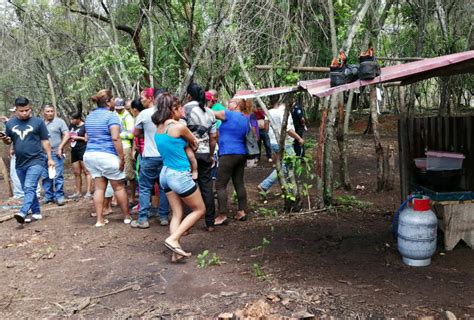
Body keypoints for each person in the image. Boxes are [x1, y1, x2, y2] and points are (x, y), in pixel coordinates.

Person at [152, 93, 204, 261]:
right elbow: (195, 142)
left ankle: (176, 253)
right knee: (199, 209)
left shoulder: (159, 128)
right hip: (179, 174)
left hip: (165, 174)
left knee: (176, 214)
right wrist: (189, 144)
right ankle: (173, 239)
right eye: (180, 107)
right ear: (173, 109)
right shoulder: (178, 127)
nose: (182, 110)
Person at [1, 97, 55, 224]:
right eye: (21, 111)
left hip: (37, 160)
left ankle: (23, 211)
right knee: (27, 189)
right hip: (20, 162)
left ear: (30, 108)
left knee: (29, 186)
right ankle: (36, 213)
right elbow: (9, 140)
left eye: (27, 110)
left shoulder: (38, 122)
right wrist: (4, 139)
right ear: (16, 111)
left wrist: (50, 158)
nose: (25, 113)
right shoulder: (10, 124)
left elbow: (45, 141)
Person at [83, 89, 131, 227]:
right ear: (109, 102)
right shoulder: (112, 116)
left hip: (90, 155)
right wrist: (121, 158)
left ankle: (99, 220)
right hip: (107, 155)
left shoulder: (90, 116)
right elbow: (115, 138)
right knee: (119, 187)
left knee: (99, 188)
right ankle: (127, 217)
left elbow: (87, 137)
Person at [131, 89, 170, 228]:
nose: (141, 100)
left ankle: (143, 219)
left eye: (143, 98)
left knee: (145, 187)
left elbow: (135, 133)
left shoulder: (144, 114)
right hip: (165, 155)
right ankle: (164, 216)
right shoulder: (168, 113)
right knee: (164, 187)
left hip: (149, 155)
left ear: (151, 98)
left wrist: (146, 135)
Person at [183, 83, 217, 231]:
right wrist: (210, 155)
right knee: (207, 187)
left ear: (189, 95)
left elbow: (181, 131)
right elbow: (213, 137)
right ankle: (210, 223)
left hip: (188, 153)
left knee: (185, 187)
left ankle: (186, 225)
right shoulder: (210, 112)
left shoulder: (185, 109)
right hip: (204, 154)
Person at [213, 99, 250, 225]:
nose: (228, 103)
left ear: (237, 104)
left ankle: (222, 215)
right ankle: (242, 211)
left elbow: (211, 112)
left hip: (228, 153)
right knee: (239, 183)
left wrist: (199, 106)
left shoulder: (228, 114)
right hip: (241, 153)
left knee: (220, 185)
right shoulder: (245, 118)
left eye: (231, 102)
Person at [257, 100, 304, 192]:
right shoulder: (285, 113)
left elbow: (265, 126)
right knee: (287, 165)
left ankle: (287, 188)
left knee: (282, 165)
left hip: (273, 142)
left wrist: (271, 135)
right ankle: (265, 185)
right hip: (285, 143)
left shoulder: (269, 112)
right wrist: (299, 138)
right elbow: (288, 130)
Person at [41, 104, 70, 206]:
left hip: (56, 152)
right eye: (48, 111)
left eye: (52, 111)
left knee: (57, 175)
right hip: (42, 153)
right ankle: (48, 196)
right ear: (43, 112)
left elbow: (67, 134)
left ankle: (59, 196)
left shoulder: (59, 122)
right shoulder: (40, 123)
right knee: (45, 175)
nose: (50, 113)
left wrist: (61, 147)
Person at [114, 98, 136, 206]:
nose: (118, 110)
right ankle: (118, 198)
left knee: (129, 173)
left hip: (126, 146)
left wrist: (118, 135)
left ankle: (132, 198)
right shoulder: (114, 115)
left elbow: (132, 134)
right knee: (116, 173)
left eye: (120, 109)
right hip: (115, 147)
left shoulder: (128, 117)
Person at [68, 110, 92, 199]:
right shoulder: (71, 126)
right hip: (74, 150)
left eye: (73, 119)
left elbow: (87, 139)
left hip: (83, 149)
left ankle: (89, 191)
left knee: (86, 171)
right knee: (76, 172)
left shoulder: (85, 126)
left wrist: (77, 137)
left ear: (78, 119)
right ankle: (78, 191)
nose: (71, 121)